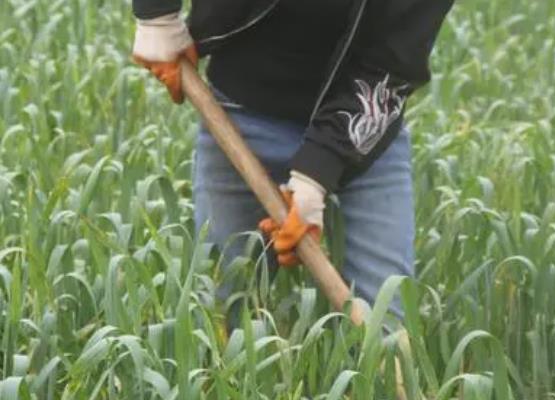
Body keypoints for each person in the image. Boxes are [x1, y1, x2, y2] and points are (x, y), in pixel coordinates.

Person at [131, 0, 454, 322]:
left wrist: (318, 174)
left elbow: (396, 57)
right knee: (223, 309)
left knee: (386, 321)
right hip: (239, 113)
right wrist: (156, 16)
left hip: (366, 136)